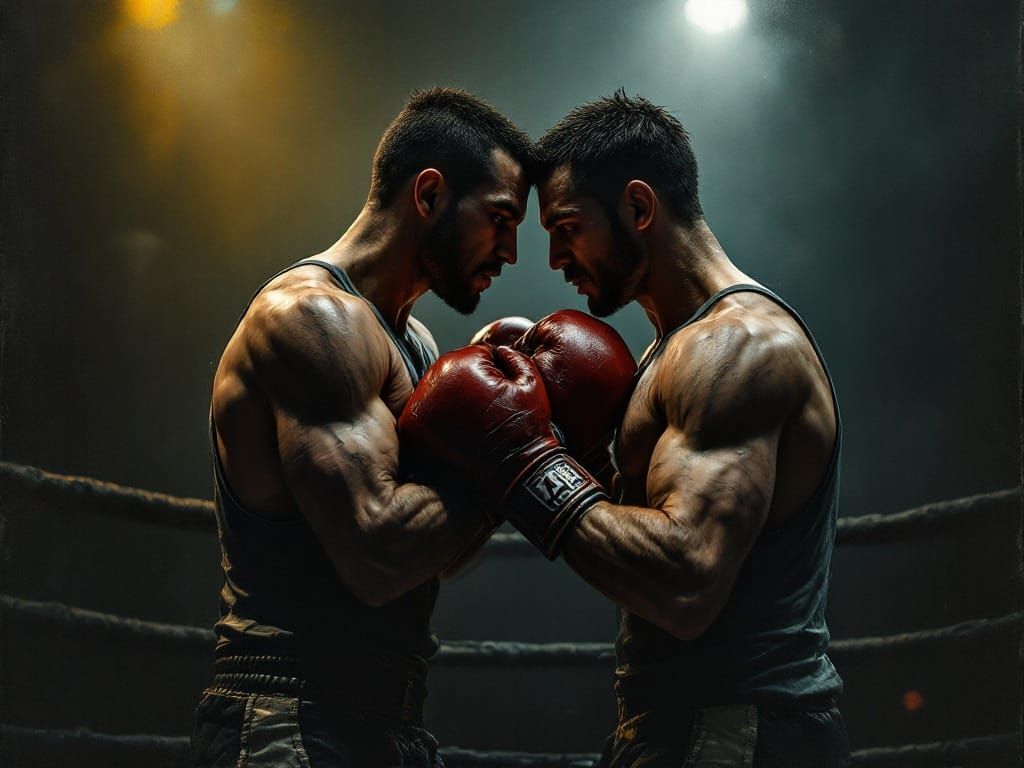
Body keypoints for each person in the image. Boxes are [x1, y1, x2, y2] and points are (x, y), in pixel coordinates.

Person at [408, 90, 849, 766]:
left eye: (567, 227)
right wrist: (573, 459)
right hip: (676, 724)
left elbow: (687, 582)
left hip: (739, 727)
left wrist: (526, 459)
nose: (555, 258)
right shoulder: (668, 352)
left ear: (639, 208)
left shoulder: (738, 348)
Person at [190, 87, 532, 768]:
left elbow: (440, 554)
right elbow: (377, 557)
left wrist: (516, 461)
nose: (511, 251)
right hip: (291, 716)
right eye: (499, 219)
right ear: (429, 195)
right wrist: (510, 458)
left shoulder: (418, 344)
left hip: (388, 719)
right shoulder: (311, 320)